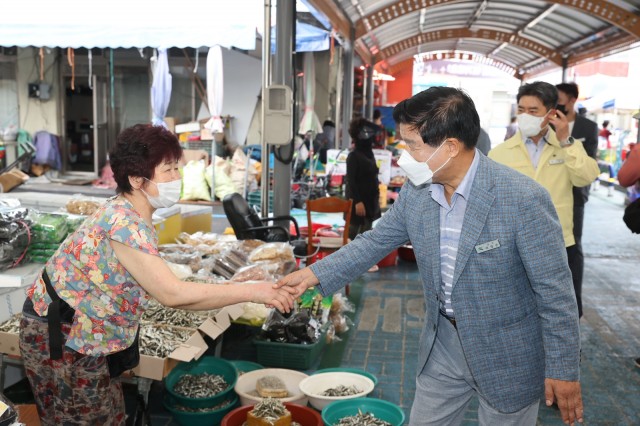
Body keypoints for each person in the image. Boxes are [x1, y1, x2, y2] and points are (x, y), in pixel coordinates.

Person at [277, 87, 584, 425]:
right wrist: (315, 275)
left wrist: (563, 369)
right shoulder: (418, 191)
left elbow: (555, 294)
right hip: (444, 345)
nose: (403, 156)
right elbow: (376, 240)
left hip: (506, 352)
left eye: (412, 145)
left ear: (450, 147)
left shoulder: (522, 199)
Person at [18, 124, 296, 426]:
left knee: (111, 416)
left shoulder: (132, 213)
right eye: (168, 170)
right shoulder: (123, 223)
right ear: (137, 179)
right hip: (62, 338)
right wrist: (254, 290)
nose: (177, 178)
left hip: (88, 337)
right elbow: (173, 294)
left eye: (177, 167)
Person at [489, 81, 599, 319]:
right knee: (516, 312)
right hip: (513, 245)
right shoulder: (500, 153)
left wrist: (566, 141)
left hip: (557, 242)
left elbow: (586, 177)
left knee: (557, 311)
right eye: (521, 110)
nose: (525, 116)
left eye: (533, 111)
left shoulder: (568, 147)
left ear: (551, 113)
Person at [555, 82, 598, 321]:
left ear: (571, 100)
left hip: (574, 197)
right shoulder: (546, 123)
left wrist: (568, 139)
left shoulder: (587, 127)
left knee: (573, 248)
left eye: (560, 99)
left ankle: (575, 305)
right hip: (552, 189)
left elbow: (589, 161)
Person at [345, 118, 382, 273]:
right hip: (358, 201)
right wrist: (357, 202)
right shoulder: (353, 156)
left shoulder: (369, 153)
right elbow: (350, 182)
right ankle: (350, 262)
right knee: (353, 233)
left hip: (370, 199)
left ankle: (361, 262)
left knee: (366, 231)